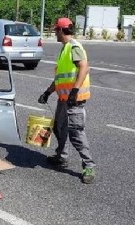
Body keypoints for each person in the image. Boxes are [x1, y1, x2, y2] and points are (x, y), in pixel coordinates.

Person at [37, 17, 96, 184]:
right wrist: (47, 93)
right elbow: (61, 78)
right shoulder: (65, 49)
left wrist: (74, 91)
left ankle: (89, 166)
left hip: (73, 100)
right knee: (59, 127)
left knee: (76, 133)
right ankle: (62, 156)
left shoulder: (74, 47)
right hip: (63, 99)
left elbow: (84, 67)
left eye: (56, 30)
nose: (55, 33)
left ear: (62, 31)